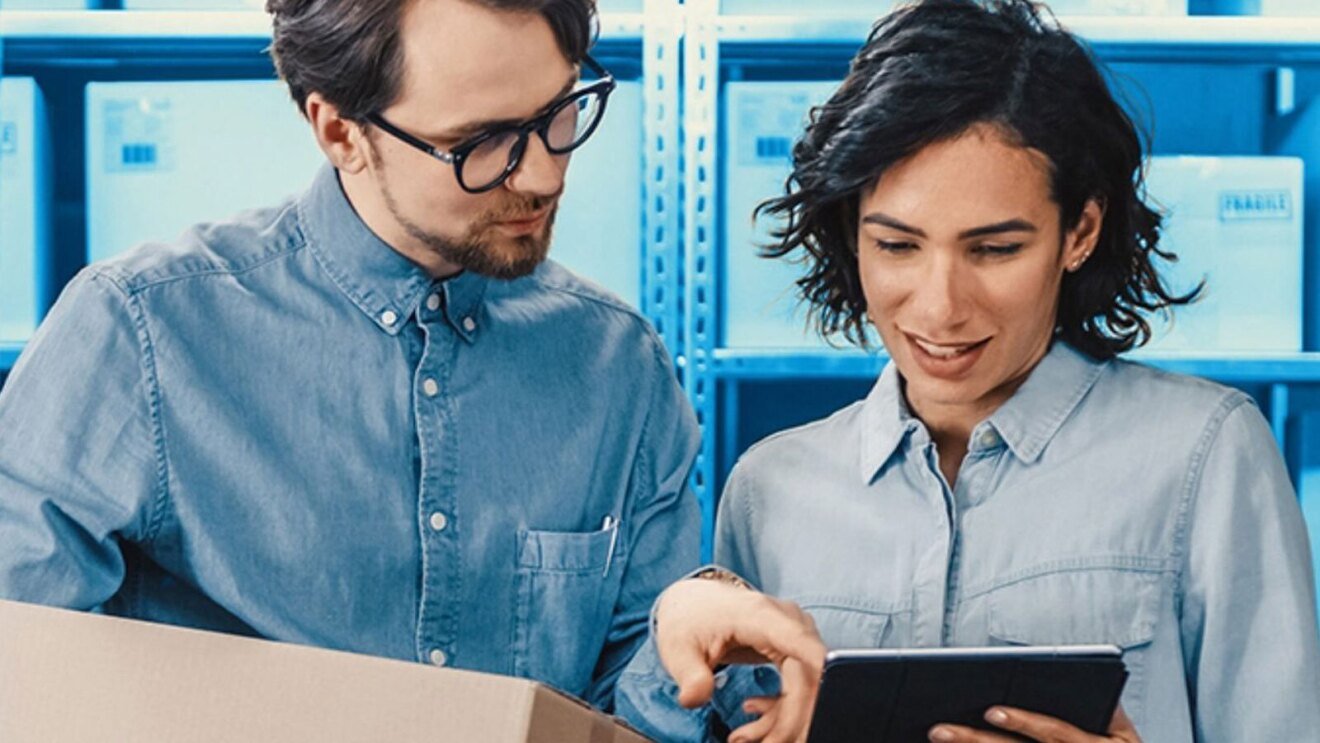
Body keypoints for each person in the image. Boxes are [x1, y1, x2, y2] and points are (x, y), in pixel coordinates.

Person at [0, 0, 821, 719]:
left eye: (559, 111)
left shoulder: (619, 366)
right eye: (485, 140)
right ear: (339, 131)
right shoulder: (137, 333)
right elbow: (19, 675)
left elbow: (630, 709)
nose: (542, 172)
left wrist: (689, 644)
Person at [616, 0, 1320, 741]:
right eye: (897, 245)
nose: (941, 306)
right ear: (853, 229)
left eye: (995, 249)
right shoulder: (770, 489)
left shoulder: (1203, 455)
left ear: (1079, 230)